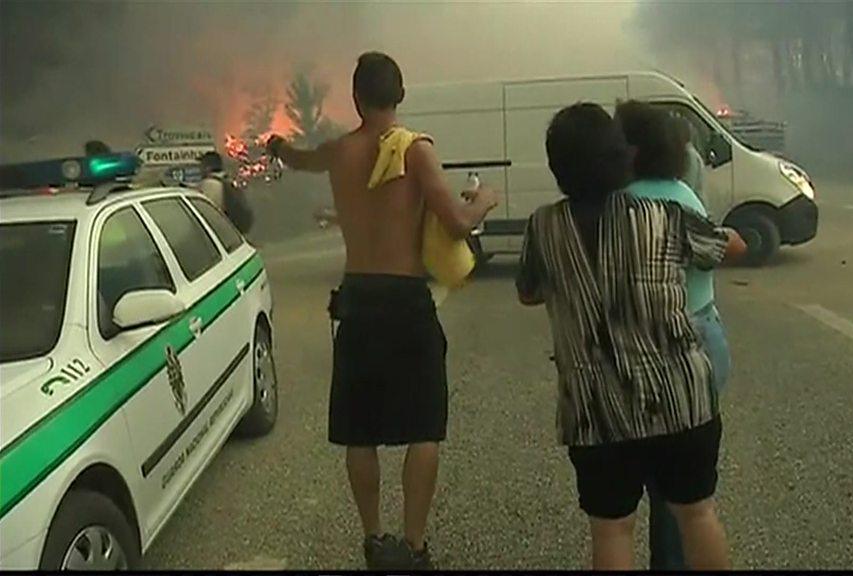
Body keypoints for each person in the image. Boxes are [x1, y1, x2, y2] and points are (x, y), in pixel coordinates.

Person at [265, 51, 499, 569]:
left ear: (356, 97)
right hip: (405, 300)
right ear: (401, 95)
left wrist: (277, 144)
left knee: (359, 429)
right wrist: (484, 199)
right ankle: (414, 546)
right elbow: (458, 223)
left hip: (358, 300)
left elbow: (297, 158)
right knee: (424, 426)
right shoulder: (415, 150)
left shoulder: (337, 151)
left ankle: (374, 540)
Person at [516, 102, 732, 570]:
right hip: (680, 397)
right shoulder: (663, 215)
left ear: (558, 168)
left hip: (596, 411)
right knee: (696, 515)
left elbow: (528, 293)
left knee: (612, 529)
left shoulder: (542, 227)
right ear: (622, 157)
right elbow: (720, 248)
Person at [614, 100, 745, 571]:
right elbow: (726, 246)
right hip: (703, 338)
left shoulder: (615, 201)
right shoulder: (681, 195)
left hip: (644, 348)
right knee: (688, 494)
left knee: (650, 484)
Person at [197, 151, 253, 235]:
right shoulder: (227, 181)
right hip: (234, 233)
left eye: (201, 165)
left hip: (221, 234)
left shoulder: (210, 185)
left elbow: (207, 214)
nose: (199, 169)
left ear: (207, 168)